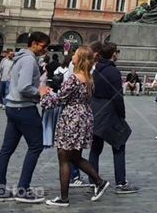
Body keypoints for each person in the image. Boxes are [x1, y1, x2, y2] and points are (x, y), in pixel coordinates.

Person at [40, 45, 110, 207]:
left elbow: (58, 100)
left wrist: (44, 94)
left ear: (80, 59)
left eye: (75, 54)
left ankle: (64, 198)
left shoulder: (74, 78)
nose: (72, 56)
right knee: (75, 157)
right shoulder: (89, 78)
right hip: (84, 116)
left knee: (63, 158)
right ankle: (99, 182)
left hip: (72, 119)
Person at [0, 32, 50, 203]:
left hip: (12, 106)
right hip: (24, 108)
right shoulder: (29, 60)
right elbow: (25, 87)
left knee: (6, 149)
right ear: (33, 43)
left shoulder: (20, 58)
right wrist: (40, 92)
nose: (44, 50)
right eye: (43, 46)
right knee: (36, 146)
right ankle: (23, 189)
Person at [89, 42, 138, 195]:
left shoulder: (96, 69)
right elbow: (117, 96)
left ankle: (94, 180)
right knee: (119, 144)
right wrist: (122, 114)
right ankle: (121, 182)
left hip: (96, 109)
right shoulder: (113, 71)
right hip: (109, 111)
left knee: (95, 148)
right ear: (113, 54)